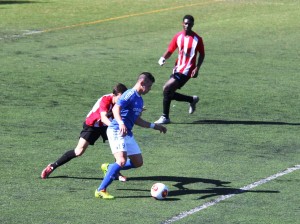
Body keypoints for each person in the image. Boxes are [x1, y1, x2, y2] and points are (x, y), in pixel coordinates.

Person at [95, 72, 167, 199]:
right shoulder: (129, 94)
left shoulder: (139, 99)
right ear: (142, 83)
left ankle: (110, 167)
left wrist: (154, 126)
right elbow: (115, 109)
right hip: (117, 129)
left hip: (126, 132)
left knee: (138, 162)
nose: (150, 89)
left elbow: (137, 120)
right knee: (121, 160)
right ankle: (101, 189)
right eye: (149, 86)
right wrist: (121, 122)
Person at [41, 83, 128, 181]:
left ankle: (115, 172)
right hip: (93, 125)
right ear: (116, 95)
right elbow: (103, 118)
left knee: (118, 147)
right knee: (79, 151)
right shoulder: (105, 99)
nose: (122, 101)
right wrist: (115, 127)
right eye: (121, 97)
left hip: (107, 126)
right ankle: (53, 166)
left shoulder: (120, 101)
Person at [155, 15, 205, 124]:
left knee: (166, 88)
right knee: (169, 92)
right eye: (185, 23)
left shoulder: (197, 39)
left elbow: (202, 54)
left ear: (193, 25)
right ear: (182, 23)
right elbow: (170, 50)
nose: (187, 25)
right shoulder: (178, 36)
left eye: (189, 24)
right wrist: (163, 58)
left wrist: (197, 68)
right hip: (178, 68)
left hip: (188, 70)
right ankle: (192, 100)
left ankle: (165, 117)